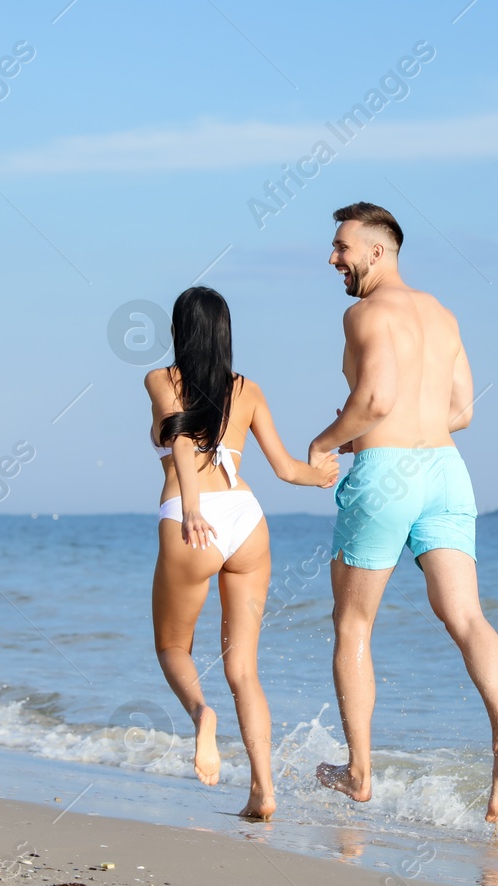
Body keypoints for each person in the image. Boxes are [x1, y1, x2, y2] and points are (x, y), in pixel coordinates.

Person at [306, 202, 498, 823]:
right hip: (446, 471)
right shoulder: (442, 314)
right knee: (466, 616)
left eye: (341, 247)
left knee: (353, 626)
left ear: (377, 252)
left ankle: (358, 772)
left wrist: (325, 443)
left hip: (386, 476)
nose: (333, 259)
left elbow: (374, 397)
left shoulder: (364, 313)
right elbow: (462, 410)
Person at [148, 286, 338, 820]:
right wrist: (319, 473)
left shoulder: (162, 380)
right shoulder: (248, 390)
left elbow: (181, 438)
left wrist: (189, 506)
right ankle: (262, 789)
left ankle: (203, 716)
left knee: (171, 647)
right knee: (244, 670)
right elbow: (284, 469)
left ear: (179, 331)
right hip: (247, 520)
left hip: (196, 520)